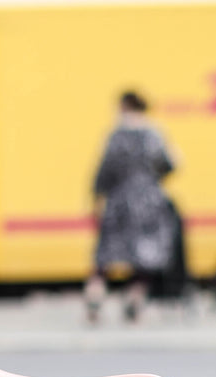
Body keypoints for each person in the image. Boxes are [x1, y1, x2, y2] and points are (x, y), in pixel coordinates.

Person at [85, 91, 178, 323]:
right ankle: (134, 303)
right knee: (145, 259)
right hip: (148, 201)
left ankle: (95, 299)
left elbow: (104, 171)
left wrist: (97, 198)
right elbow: (167, 165)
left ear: (125, 106)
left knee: (105, 258)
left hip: (119, 200)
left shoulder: (116, 135)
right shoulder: (154, 134)